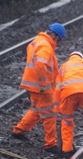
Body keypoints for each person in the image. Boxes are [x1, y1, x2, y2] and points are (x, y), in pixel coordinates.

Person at [12, 23, 64, 151]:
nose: (57, 42)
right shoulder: (45, 46)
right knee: (49, 114)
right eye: (58, 39)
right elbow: (41, 64)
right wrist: (43, 83)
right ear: (54, 35)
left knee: (36, 110)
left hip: (33, 84)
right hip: (41, 87)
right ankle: (50, 144)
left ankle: (19, 130)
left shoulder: (37, 41)